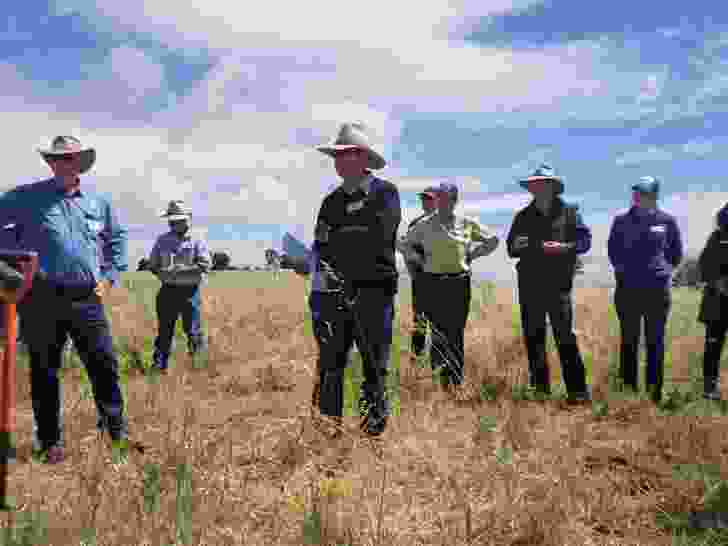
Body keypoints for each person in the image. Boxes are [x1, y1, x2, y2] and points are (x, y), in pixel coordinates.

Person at [0, 135, 130, 464]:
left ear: (80, 163)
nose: (64, 163)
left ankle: (115, 432)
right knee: (45, 369)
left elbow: (117, 238)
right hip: (41, 296)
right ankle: (49, 442)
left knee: (103, 363)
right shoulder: (26, 197)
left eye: (70, 158)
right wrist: (12, 260)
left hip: (87, 296)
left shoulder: (99, 203)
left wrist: (111, 275)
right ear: (50, 163)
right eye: (58, 159)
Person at [296, 122, 401, 437]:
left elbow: (379, 237)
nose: (338, 160)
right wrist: (310, 261)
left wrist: (336, 245)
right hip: (332, 294)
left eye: (344, 154)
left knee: (374, 364)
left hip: (374, 293)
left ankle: (373, 436)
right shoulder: (331, 202)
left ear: (362, 157)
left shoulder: (386, 193)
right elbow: (322, 244)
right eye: (336, 155)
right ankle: (328, 431)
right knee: (330, 364)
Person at [506, 164, 592, 403]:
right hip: (529, 282)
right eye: (535, 184)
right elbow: (511, 248)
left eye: (543, 184)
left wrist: (564, 248)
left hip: (559, 284)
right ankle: (540, 392)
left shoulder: (570, 212)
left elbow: (585, 241)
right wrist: (518, 245)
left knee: (565, 336)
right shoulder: (522, 216)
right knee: (534, 337)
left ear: (553, 186)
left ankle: (578, 393)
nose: (538, 188)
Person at [402, 181, 499, 388]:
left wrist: (472, 255)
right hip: (433, 282)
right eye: (438, 198)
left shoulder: (466, 223)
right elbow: (403, 244)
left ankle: (455, 380)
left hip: (459, 283)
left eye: (445, 198)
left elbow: (492, 240)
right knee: (437, 332)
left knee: (455, 331)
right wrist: (417, 261)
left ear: (455, 200)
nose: (441, 201)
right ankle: (440, 379)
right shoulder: (424, 224)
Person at [607, 176, 683, 403]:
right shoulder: (621, 221)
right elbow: (613, 251)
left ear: (654, 195)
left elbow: (675, 253)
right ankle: (628, 393)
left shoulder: (667, 221)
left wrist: (662, 271)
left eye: (644, 192)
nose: (639, 196)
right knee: (628, 341)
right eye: (637, 192)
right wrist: (624, 270)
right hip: (627, 289)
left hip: (656, 291)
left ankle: (654, 394)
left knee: (655, 342)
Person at [148, 200, 211, 373]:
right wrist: (163, 274)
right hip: (167, 291)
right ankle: (158, 367)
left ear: (187, 220)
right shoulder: (162, 240)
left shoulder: (198, 240)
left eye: (177, 220)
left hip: (190, 291)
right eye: (171, 220)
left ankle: (199, 368)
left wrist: (183, 270)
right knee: (164, 331)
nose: (173, 223)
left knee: (193, 331)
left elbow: (205, 265)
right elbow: (152, 265)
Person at [396, 186, 437, 359]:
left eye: (429, 199)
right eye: (424, 199)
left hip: (443, 279)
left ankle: (441, 362)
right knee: (420, 322)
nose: (426, 202)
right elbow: (405, 249)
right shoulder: (415, 223)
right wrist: (413, 270)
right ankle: (416, 360)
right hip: (420, 279)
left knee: (441, 324)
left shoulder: (446, 222)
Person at [696, 204, 728, 401]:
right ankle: (710, 386)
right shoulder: (717, 238)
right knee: (713, 347)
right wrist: (717, 282)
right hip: (717, 304)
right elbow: (704, 265)